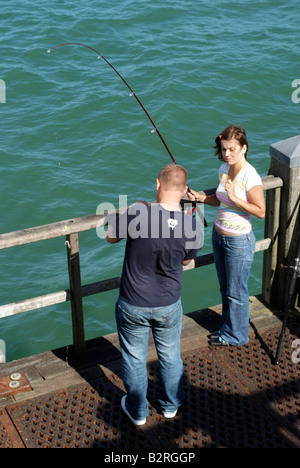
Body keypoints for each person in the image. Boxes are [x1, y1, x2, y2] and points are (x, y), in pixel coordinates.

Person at [106, 164, 203, 425]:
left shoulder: (138, 212)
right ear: (184, 191)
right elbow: (185, 261)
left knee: (134, 356)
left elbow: (110, 237)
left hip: (132, 302)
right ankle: (170, 405)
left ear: (157, 184)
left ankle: (138, 412)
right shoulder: (193, 226)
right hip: (168, 303)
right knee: (170, 354)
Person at [188, 125, 265, 347]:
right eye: (224, 149)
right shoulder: (224, 169)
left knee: (236, 291)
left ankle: (236, 336)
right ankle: (228, 327)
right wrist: (202, 198)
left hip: (238, 241)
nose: (227, 154)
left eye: (232, 149)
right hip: (219, 236)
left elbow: (259, 211)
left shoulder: (250, 176)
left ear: (244, 148)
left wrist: (234, 196)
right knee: (225, 288)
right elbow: (221, 200)